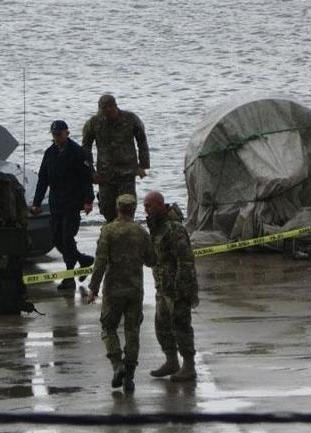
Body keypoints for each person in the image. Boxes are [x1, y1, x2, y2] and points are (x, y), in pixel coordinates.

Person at [86, 194, 155, 392]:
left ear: (117, 208)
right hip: (135, 289)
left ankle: (117, 366)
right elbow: (152, 260)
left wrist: (93, 288)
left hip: (113, 290)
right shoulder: (141, 232)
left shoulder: (108, 231)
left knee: (108, 328)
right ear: (133, 209)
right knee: (132, 331)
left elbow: (100, 262)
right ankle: (130, 376)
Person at [31, 120, 95, 290]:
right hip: (56, 202)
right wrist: (36, 203)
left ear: (67, 133)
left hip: (72, 202)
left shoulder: (77, 152)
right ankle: (84, 260)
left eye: (59, 134)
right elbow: (42, 180)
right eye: (54, 135)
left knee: (67, 238)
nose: (57, 137)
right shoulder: (49, 153)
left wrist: (88, 201)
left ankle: (68, 278)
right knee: (56, 238)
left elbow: (86, 179)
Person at [143, 190, 199, 382]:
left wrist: (181, 290)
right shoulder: (156, 228)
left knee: (181, 327)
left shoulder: (174, 229)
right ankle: (171, 361)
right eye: (144, 206)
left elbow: (185, 261)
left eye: (149, 205)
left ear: (160, 205)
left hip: (177, 289)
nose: (146, 210)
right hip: (162, 287)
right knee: (161, 326)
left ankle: (189, 366)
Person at [82, 94, 150, 222]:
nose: (105, 116)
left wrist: (143, 165)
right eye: (102, 112)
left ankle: (127, 235)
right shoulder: (93, 123)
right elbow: (85, 149)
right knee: (107, 210)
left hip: (127, 174)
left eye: (108, 112)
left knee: (127, 209)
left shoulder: (130, 119)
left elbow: (142, 141)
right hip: (105, 175)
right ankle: (111, 234)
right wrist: (91, 172)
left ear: (114, 107)